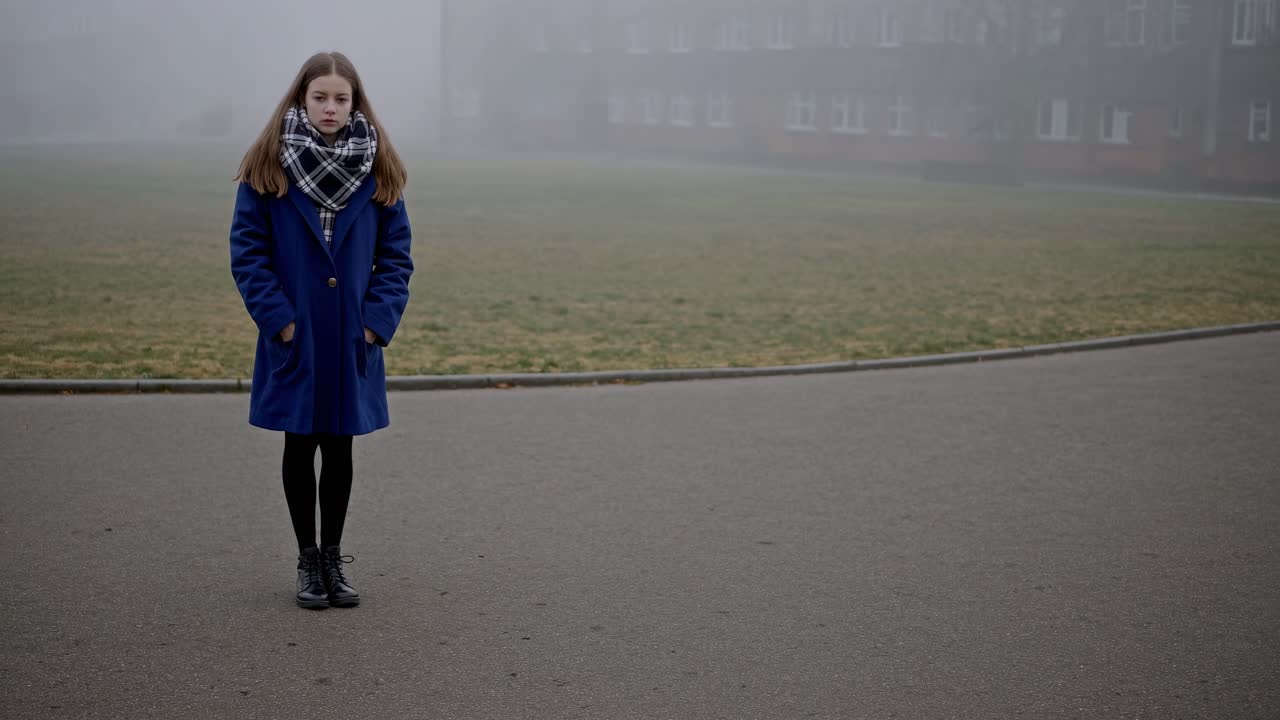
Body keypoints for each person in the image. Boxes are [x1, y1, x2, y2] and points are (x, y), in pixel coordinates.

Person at [229, 51, 413, 609]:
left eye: (341, 98)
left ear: (356, 103)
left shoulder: (380, 169)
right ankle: (307, 559)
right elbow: (248, 253)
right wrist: (281, 324)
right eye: (320, 97)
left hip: (352, 339)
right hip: (297, 337)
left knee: (340, 448)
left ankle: (334, 556)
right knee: (299, 442)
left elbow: (396, 258)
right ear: (300, 99)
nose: (330, 108)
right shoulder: (267, 166)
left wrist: (375, 328)